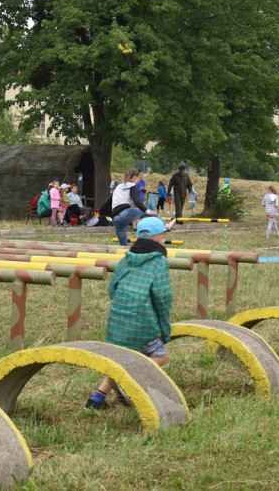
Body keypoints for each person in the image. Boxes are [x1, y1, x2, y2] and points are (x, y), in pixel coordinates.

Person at [85, 216, 174, 409]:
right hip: (142, 325)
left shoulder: (127, 258)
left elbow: (113, 288)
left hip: (117, 322)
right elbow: (163, 298)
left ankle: (96, 400)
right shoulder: (159, 261)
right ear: (158, 236)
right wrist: (166, 332)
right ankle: (130, 382)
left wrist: (122, 308)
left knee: (122, 360)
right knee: (160, 355)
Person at [111, 169, 157, 245]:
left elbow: (109, 201)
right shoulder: (132, 185)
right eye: (139, 178)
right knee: (151, 211)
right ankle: (166, 225)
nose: (139, 181)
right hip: (126, 212)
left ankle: (125, 254)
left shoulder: (119, 186)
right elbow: (137, 202)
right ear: (134, 178)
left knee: (123, 245)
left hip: (116, 218)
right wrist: (147, 211)